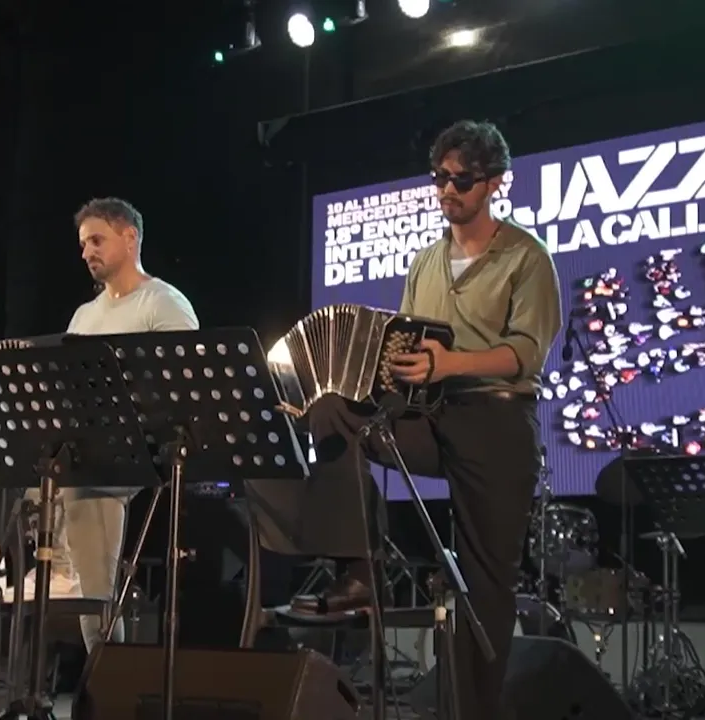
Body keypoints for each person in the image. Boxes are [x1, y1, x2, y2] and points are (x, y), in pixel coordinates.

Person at [250, 120, 561, 720]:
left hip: (497, 419)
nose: (447, 190)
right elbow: (405, 339)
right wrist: (357, 379)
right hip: (427, 414)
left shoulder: (526, 256)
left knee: (485, 586)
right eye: (440, 178)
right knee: (333, 409)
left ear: (494, 183)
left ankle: (473, 712)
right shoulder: (425, 261)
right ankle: (359, 570)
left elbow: (527, 352)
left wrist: (450, 363)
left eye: (462, 180)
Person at [22, 197, 198, 651]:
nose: (86, 253)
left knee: (86, 500)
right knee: (4, 477)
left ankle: (103, 657)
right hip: (86, 444)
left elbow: (182, 391)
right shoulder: (84, 315)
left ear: (129, 237)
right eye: (83, 245)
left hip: (137, 448)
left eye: (96, 241)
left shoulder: (164, 303)